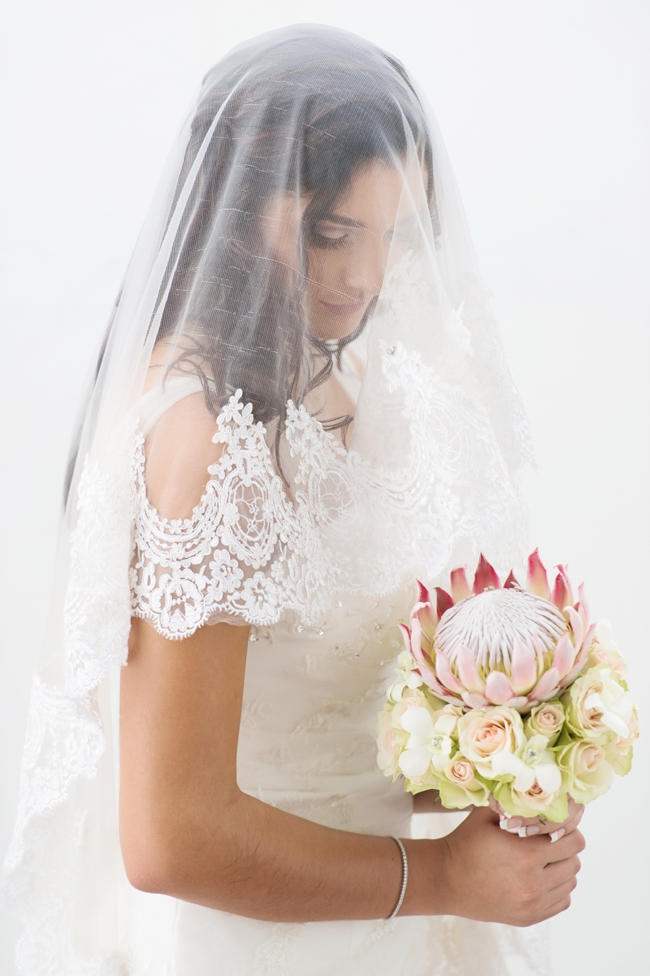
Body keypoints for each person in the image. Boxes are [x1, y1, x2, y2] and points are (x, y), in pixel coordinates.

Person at [1, 24, 584, 975]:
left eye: (395, 236)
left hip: (369, 916)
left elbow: (330, 717)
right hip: (263, 944)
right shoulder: (205, 439)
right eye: (331, 232)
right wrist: (442, 882)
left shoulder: (318, 399)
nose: (364, 277)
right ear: (233, 209)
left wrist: (504, 759)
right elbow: (170, 837)